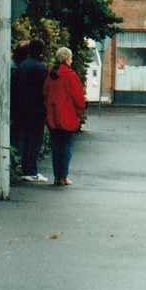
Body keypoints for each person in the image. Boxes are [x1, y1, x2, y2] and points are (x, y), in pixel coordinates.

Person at [43, 47, 85, 186]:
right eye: (71, 58)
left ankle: (56, 177)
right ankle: (63, 177)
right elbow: (78, 98)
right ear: (67, 58)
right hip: (68, 117)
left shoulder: (50, 74)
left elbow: (45, 94)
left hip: (53, 117)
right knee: (66, 147)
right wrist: (79, 113)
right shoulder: (71, 75)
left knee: (56, 147)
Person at [14, 40, 50, 183]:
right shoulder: (40, 68)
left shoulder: (22, 66)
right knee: (35, 140)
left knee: (25, 139)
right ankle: (32, 171)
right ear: (41, 50)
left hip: (23, 108)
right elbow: (44, 90)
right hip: (36, 109)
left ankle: (24, 169)